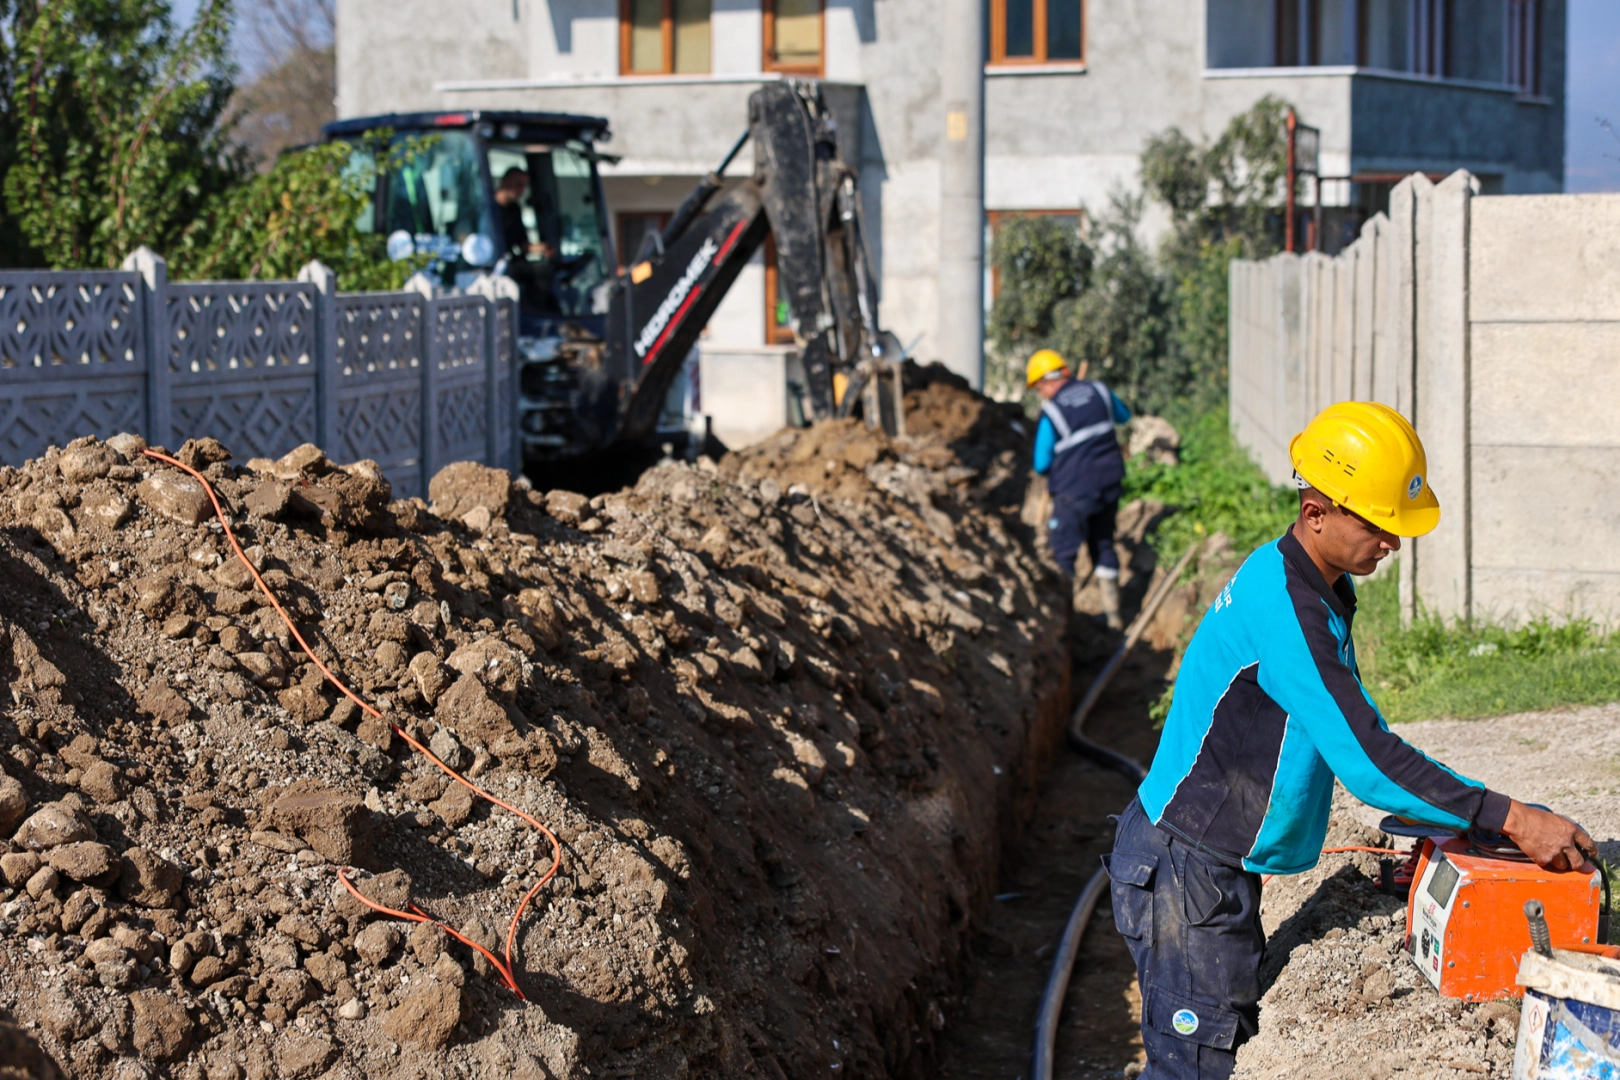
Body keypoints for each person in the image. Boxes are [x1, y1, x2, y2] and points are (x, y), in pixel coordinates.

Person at [1106, 401, 1597, 1080]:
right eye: (1377, 525)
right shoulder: (1290, 612)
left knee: (1217, 1046)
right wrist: (1509, 817)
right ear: (1317, 513)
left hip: (1203, 865)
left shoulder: (1304, 579)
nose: (1390, 543)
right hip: (1187, 874)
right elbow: (1368, 760)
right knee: (1193, 1067)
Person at [1027, 348, 1133, 628]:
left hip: (1074, 491)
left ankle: (1064, 625)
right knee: (1103, 543)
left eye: (1038, 388)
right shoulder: (1099, 390)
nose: (1040, 394)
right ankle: (1113, 616)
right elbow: (1123, 416)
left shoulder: (1052, 411)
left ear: (1047, 382)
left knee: (1063, 552)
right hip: (1109, 482)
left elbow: (1041, 462)